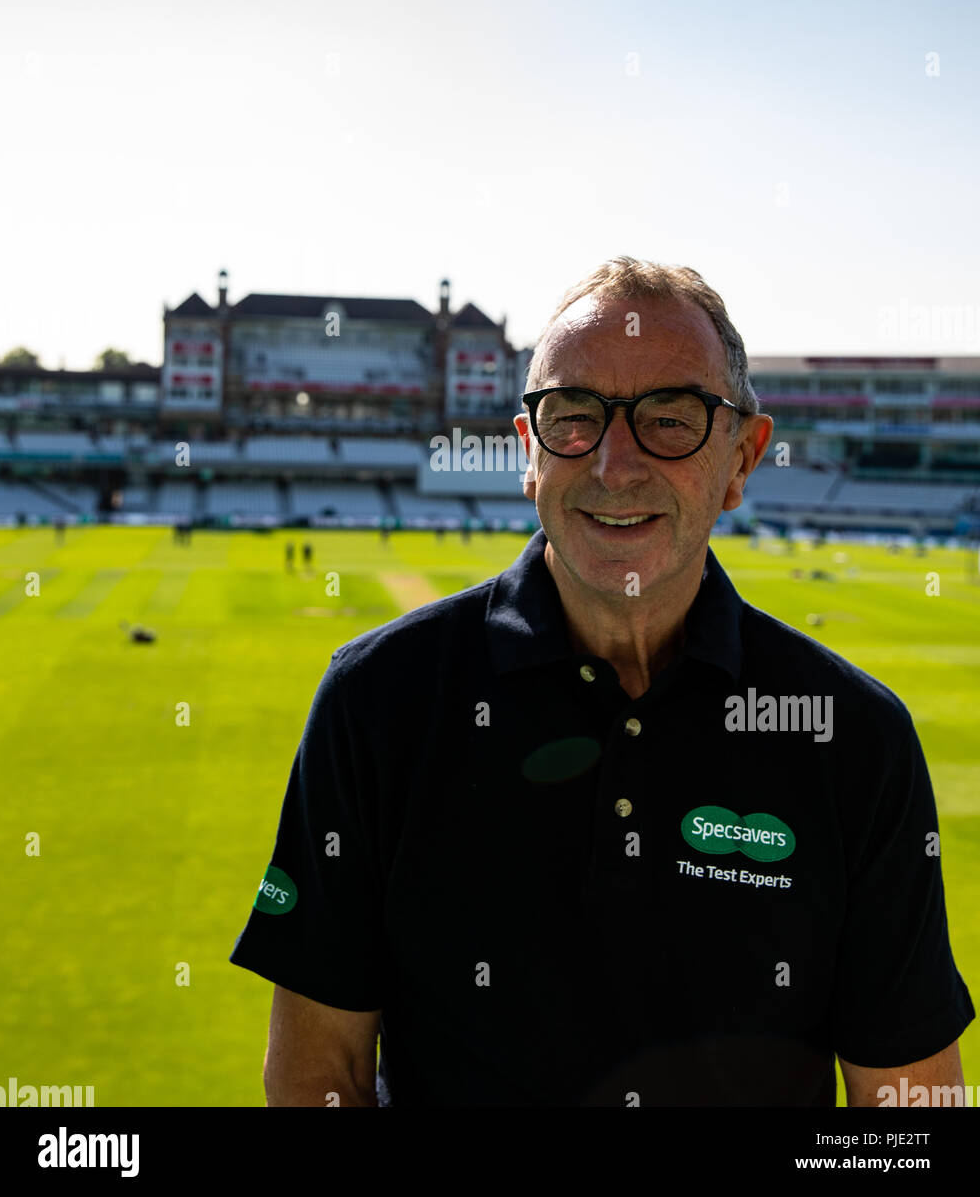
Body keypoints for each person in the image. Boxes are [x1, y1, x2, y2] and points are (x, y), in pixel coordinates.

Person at [228, 256, 973, 1107]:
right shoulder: (377, 700)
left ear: (743, 458)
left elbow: (910, 1102)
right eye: (574, 415)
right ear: (529, 453)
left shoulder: (854, 735)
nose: (615, 463)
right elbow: (320, 1074)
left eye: (671, 417)